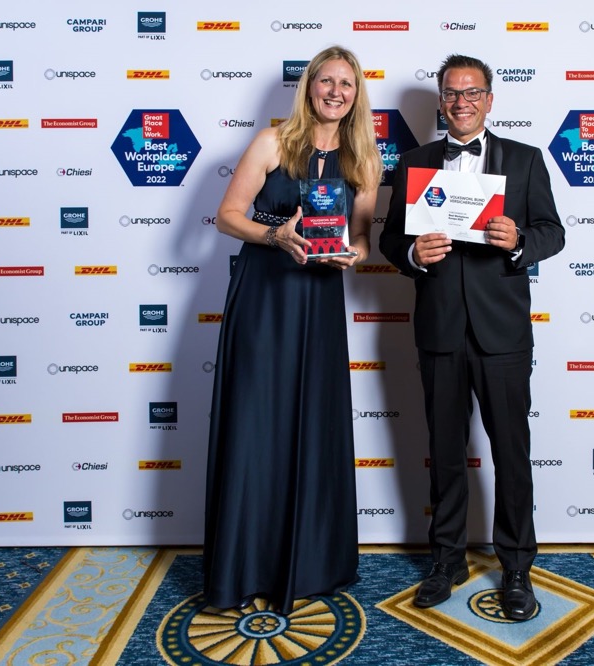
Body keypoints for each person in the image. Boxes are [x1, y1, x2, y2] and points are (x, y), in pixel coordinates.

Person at [379, 54, 565, 621]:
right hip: (439, 328)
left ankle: (516, 567)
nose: (462, 102)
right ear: (441, 101)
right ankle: (447, 559)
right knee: (445, 454)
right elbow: (389, 241)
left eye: (472, 92)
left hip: (502, 331)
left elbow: (552, 232)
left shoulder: (525, 159)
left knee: (511, 452)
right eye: (452, 93)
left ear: (489, 100)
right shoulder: (414, 162)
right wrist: (413, 253)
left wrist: (519, 240)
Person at [203, 45, 382, 615]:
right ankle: (245, 566)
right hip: (264, 295)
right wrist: (274, 235)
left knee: (312, 423)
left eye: (346, 84)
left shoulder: (364, 159)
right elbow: (227, 216)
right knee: (256, 424)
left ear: (356, 96)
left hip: (319, 300)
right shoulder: (272, 142)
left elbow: (362, 238)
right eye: (326, 81)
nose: (335, 92)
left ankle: (311, 563)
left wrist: (354, 255)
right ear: (309, 87)